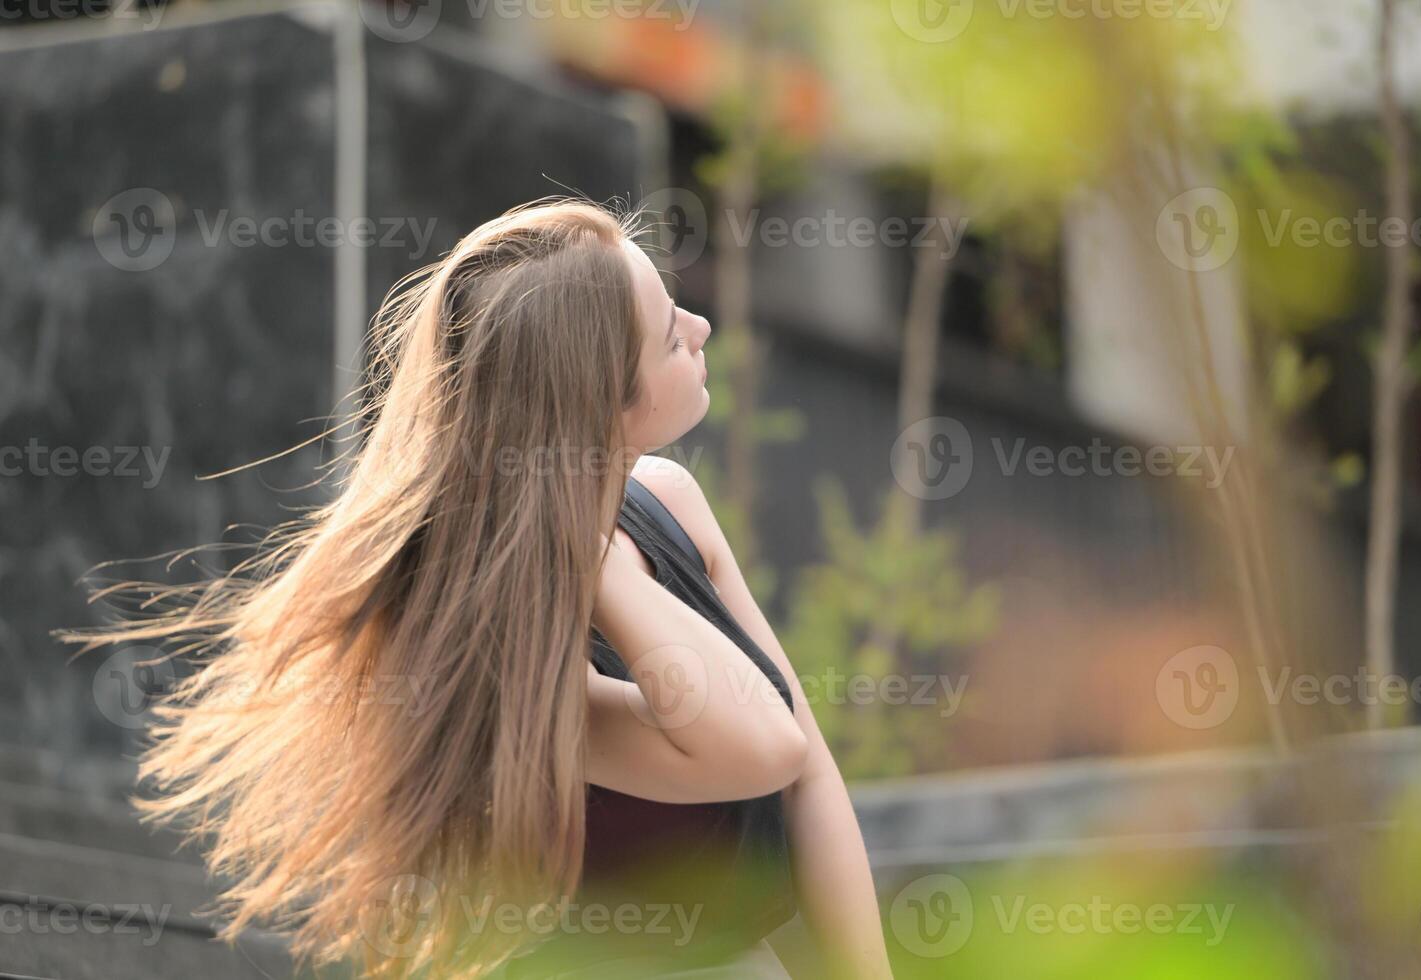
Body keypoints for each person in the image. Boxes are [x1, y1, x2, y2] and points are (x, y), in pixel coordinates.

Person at [61, 198, 893, 979]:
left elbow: (808, 777)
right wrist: (587, 542)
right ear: (597, 406)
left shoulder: (669, 500)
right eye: (673, 336)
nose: (704, 328)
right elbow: (764, 747)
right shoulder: (511, 652)